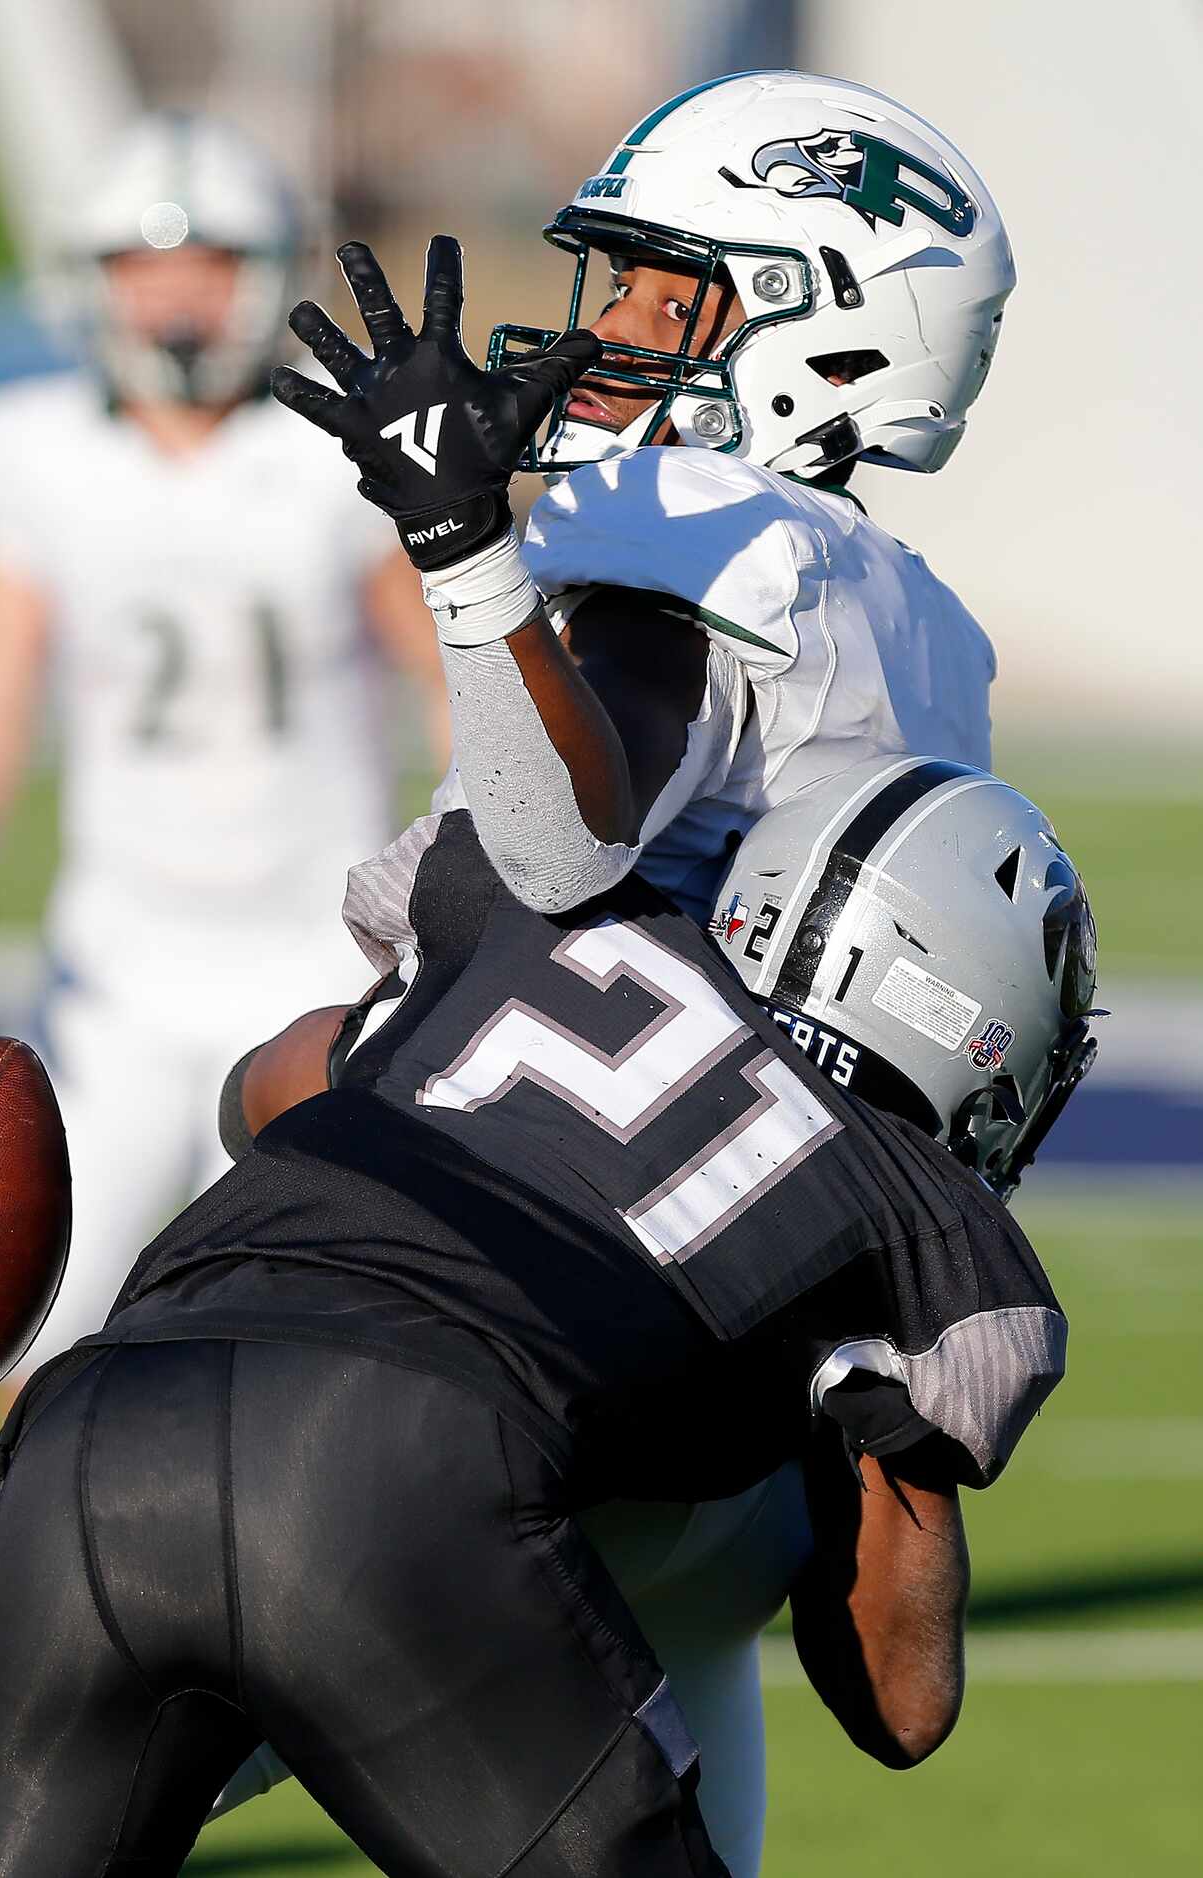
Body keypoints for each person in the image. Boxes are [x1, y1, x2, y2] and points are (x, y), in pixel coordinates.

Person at [0, 756, 1097, 1877]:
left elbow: (261, 1094)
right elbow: (900, 1704)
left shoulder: (536, 930)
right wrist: (882, 1443)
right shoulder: (916, 1218)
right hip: (393, 1469)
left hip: (102, 1424)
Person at [271, 70, 1018, 1863]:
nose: (606, 327)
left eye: (668, 291)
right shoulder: (928, 624)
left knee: (145, 1617)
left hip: (525, 1337)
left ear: (831, 334)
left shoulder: (704, 531)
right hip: (751, 1385)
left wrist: (462, 548)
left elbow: (555, 850)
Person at [0, 112, 440, 1381]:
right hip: (119, 965)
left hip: (315, 954)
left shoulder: (335, 451)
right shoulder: (31, 453)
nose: (175, 298)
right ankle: (48, 1568)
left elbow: (446, 671)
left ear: (267, 278)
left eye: (206, 265)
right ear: (92, 281)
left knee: (263, 1323)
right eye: (145, 268)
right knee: (31, 1320)